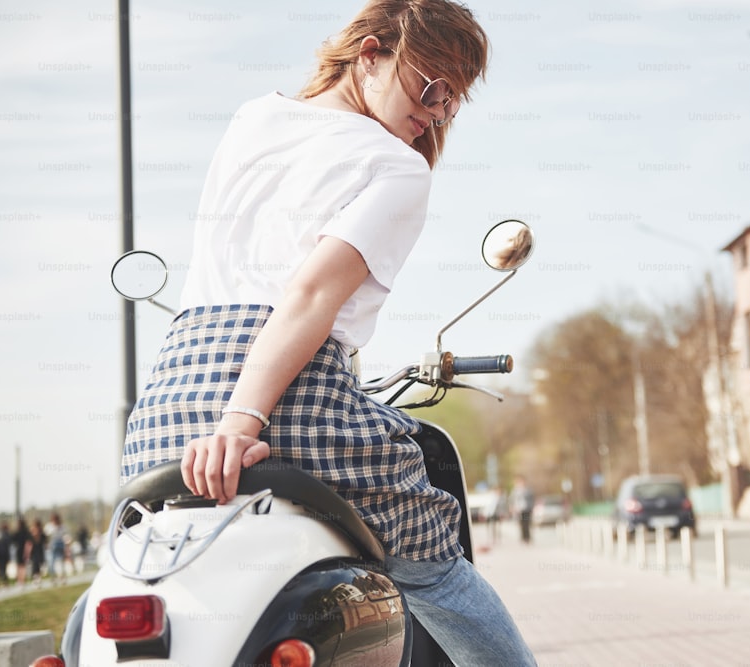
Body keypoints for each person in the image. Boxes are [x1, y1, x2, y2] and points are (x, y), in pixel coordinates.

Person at [119, 2, 535, 664]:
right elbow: (309, 296)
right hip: (288, 408)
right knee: (434, 561)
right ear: (370, 53)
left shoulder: (251, 118)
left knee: (132, 563)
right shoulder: (399, 169)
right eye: (432, 88)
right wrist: (240, 421)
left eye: (451, 105)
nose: (435, 113)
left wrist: (220, 422)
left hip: (167, 411)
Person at [510, 476, 535, 544]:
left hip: (527, 509)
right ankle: (523, 537)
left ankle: (528, 538)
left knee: (526, 523)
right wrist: (512, 507)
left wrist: (532, 507)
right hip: (518, 510)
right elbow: (512, 500)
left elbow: (532, 499)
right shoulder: (515, 490)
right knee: (521, 524)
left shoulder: (528, 490)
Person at [46, 513, 68, 584]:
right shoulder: (49, 527)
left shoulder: (62, 527)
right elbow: (46, 536)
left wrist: (66, 546)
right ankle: (53, 578)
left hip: (60, 545)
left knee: (61, 563)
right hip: (52, 546)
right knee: (51, 563)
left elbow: (66, 537)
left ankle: (62, 577)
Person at [10, 518, 31, 586]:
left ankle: (19, 580)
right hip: (24, 550)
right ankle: (23, 580)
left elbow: (12, 540)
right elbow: (29, 542)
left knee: (19, 566)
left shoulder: (17, 532)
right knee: (23, 566)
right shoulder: (27, 532)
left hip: (18, 550)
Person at [27, 519, 46, 587]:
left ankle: (37, 579)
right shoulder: (32, 532)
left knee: (36, 566)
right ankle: (37, 579)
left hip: (38, 551)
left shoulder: (40, 533)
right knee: (35, 566)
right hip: (36, 551)